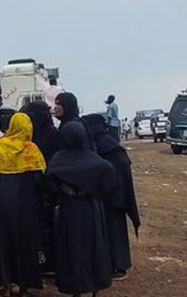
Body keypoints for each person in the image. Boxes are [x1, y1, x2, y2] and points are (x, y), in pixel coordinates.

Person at [0, 113, 47, 296]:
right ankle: (23, 284)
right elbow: (40, 180)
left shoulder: (0, 146)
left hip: (2, 206)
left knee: (3, 241)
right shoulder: (31, 149)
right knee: (25, 242)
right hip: (25, 208)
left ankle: (5, 284)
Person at [47, 122, 116, 297]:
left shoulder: (60, 158)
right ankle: (96, 288)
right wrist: (92, 190)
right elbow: (109, 175)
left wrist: (62, 187)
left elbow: (48, 179)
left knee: (72, 248)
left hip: (69, 210)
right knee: (94, 247)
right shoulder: (93, 159)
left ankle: (75, 289)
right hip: (91, 208)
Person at [84, 114, 141, 281]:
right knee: (116, 231)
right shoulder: (111, 144)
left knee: (111, 231)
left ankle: (118, 266)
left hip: (109, 197)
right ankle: (118, 265)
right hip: (117, 196)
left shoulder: (101, 147)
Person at [25, 100, 60, 276]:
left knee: (46, 227)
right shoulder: (48, 133)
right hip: (41, 187)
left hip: (45, 186)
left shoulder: (46, 135)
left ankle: (47, 263)